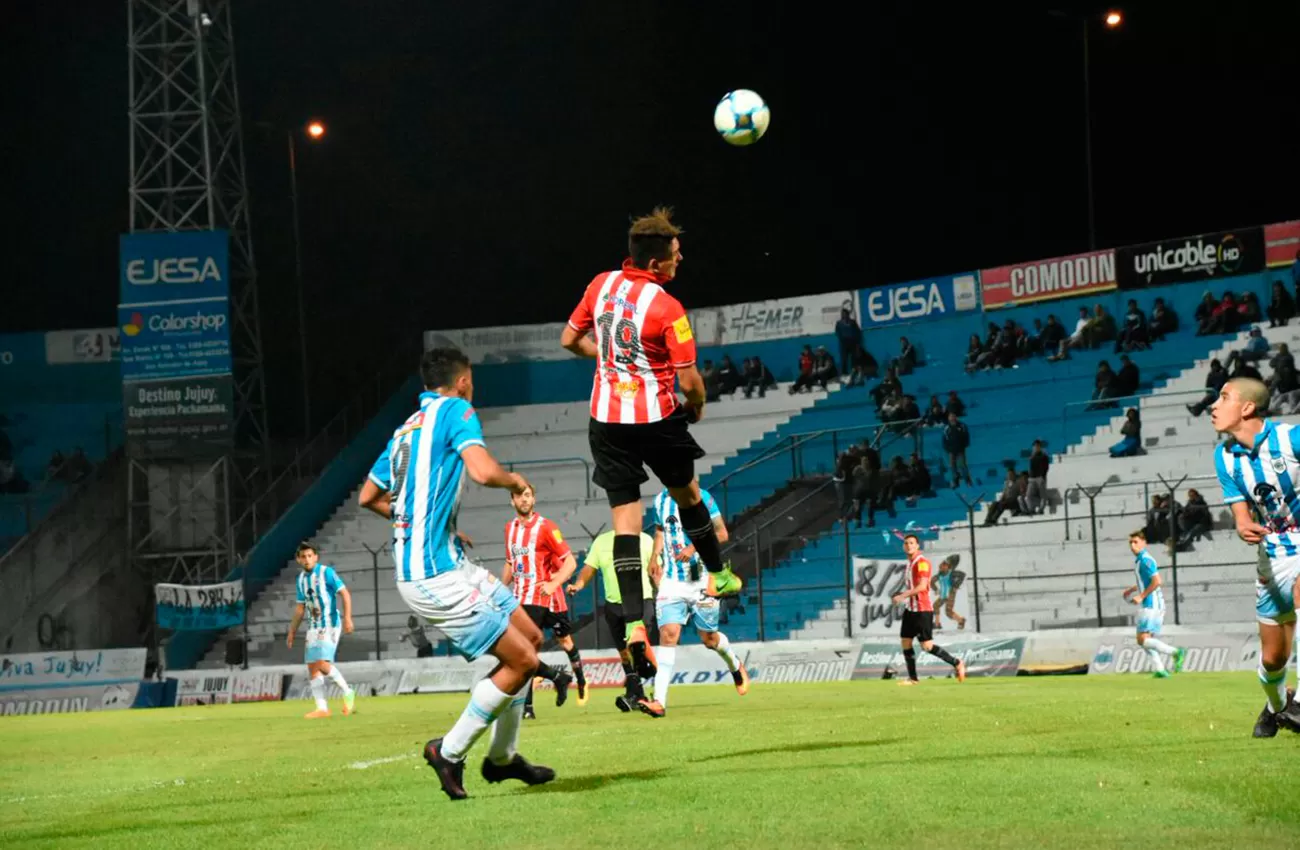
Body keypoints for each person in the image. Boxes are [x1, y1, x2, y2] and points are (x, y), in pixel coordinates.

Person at [559, 207, 740, 712]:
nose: (681, 260)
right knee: (688, 495)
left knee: (624, 525)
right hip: (656, 419)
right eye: (677, 255)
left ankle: (635, 624)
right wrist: (697, 408)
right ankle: (718, 573)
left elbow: (569, 339)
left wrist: (609, 361)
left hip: (606, 420)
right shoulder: (667, 308)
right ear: (659, 264)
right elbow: (688, 382)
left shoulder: (600, 285)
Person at [358, 347, 551, 800]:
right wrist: (516, 479)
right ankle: (449, 750)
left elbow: (369, 496)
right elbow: (483, 472)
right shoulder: (457, 410)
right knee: (522, 661)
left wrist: (421, 523)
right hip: (434, 575)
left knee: (531, 640)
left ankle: (503, 760)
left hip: (445, 562)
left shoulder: (406, 428)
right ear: (463, 381)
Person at [1210, 377, 1300, 737]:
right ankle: (1278, 707)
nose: (1214, 406)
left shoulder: (1290, 438)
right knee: (1272, 657)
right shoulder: (1224, 457)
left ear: (1247, 408)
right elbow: (1241, 514)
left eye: (1223, 397)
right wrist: (1243, 526)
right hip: (1271, 553)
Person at [649, 487, 749, 714]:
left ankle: (734, 665)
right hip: (672, 581)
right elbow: (659, 531)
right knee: (668, 634)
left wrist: (693, 547)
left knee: (709, 638)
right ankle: (659, 702)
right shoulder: (659, 500)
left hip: (703, 579)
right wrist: (655, 556)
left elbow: (722, 533)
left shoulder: (702, 497)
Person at [501, 485, 584, 717]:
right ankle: (557, 679)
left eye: (527, 495)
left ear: (534, 499)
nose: (523, 499)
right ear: (512, 501)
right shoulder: (510, 529)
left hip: (537, 598)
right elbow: (510, 562)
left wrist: (553, 584)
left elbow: (570, 563)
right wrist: (499, 589)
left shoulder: (546, 527)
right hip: (517, 599)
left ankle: (527, 706)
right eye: (519, 496)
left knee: (527, 650)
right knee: (523, 653)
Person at [568, 529, 659, 714]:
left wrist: (664, 592)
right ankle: (637, 695)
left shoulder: (645, 540)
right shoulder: (601, 541)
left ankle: (641, 685)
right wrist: (579, 584)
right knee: (624, 653)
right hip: (614, 605)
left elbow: (656, 569)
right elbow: (588, 568)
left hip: (641, 601)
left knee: (636, 642)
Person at [286, 542, 356, 718]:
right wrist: (292, 631)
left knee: (321, 664)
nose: (307, 559)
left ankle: (347, 691)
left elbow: (345, 594)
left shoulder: (327, 573)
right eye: (303, 557)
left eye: (310, 556)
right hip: (313, 626)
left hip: (329, 624)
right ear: (298, 559)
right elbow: (300, 608)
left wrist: (347, 618)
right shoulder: (301, 579)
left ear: (316, 557)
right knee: (312, 667)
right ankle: (322, 708)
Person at [890, 535, 966, 685]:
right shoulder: (910, 564)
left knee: (927, 646)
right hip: (910, 610)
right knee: (906, 641)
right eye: (906, 543)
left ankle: (957, 663)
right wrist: (902, 595)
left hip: (922, 610)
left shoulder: (922, 563)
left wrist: (902, 595)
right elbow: (913, 587)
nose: (908, 545)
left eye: (912, 543)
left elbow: (923, 586)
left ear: (917, 546)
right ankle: (913, 679)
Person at [1121, 531, 1186, 678]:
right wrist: (1133, 589)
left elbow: (1157, 581)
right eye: (1130, 543)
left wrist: (1141, 596)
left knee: (1143, 639)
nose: (1132, 546)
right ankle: (1160, 670)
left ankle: (1175, 652)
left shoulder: (1146, 560)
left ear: (1144, 542)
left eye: (1135, 542)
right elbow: (1146, 581)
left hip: (1152, 603)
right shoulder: (1139, 560)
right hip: (1150, 603)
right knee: (1144, 639)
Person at [931, 555, 967, 630]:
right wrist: (936, 589)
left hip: (950, 595)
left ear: (948, 567)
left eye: (944, 566)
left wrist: (956, 586)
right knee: (935, 606)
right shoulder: (939, 575)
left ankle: (961, 620)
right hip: (943, 595)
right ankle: (937, 624)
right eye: (941, 566)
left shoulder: (951, 573)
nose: (942, 568)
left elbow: (962, 575)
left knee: (948, 612)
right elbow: (931, 582)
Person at [942, 412, 972, 488]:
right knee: (953, 467)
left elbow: (966, 436)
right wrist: (948, 449)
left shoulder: (962, 426)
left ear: (956, 417)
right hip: (951, 451)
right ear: (948, 418)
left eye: (953, 416)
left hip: (960, 450)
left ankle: (968, 480)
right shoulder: (946, 428)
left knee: (962, 465)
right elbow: (944, 440)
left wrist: (964, 446)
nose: (952, 418)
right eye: (951, 417)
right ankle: (955, 481)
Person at [835, 308, 862, 376]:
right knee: (844, 358)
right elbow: (837, 332)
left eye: (846, 314)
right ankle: (844, 372)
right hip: (844, 343)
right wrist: (842, 338)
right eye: (843, 314)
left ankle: (854, 371)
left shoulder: (852, 322)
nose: (844, 315)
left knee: (854, 357)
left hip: (853, 342)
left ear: (848, 314)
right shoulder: (839, 323)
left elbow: (858, 332)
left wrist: (857, 341)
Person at [1026, 440, 1050, 515]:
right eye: (1035, 446)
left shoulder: (1044, 456)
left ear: (1040, 447)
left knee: (1043, 495)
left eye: (1037, 446)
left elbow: (1046, 468)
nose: (1036, 448)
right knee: (1028, 495)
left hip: (1040, 477)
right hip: (1032, 478)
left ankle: (1041, 509)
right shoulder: (1032, 457)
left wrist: (1042, 476)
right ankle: (1031, 509)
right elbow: (1030, 468)